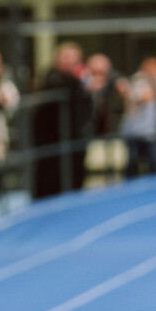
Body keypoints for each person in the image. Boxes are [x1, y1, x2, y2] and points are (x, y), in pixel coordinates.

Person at [32, 42, 93, 197]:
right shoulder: (52, 77)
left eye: (75, 58)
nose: (71, 62)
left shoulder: (81, 82)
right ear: (57, 59)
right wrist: (80, 78)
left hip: (74, 144)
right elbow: (58, 83)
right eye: (66, 57)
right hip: (52, 147)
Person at [120, 55, 156, 178]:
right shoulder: (138, 80)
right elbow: (146, 98)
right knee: (132, 162)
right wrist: (153, 83)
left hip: (149, 130)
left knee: (154, 162)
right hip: (134, 131)